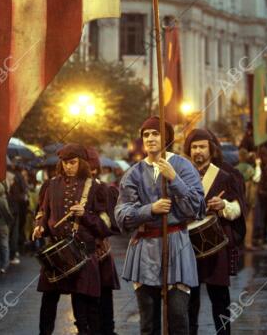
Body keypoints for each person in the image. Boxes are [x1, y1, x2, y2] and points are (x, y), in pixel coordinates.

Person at [115, 116, 205, 335]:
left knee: (177, 317)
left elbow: (197, 207)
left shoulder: (182, 166)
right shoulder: (133, 173)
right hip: (144, 248)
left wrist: (174, 179)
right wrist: (150, 210)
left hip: (176, 244)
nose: (150, 138)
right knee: (148, 321)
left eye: (155, 133)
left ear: (166, 138)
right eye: (146, 135)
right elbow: (122, 214)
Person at [32, 144, 110, 335]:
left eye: (73, 163)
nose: (68, 167)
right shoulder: (50, 185)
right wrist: (40, 226)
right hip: (57, 254)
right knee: (48, 303)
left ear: (82, 163)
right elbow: (43, 212)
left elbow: (105, 227)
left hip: (84, 253)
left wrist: (86, 215)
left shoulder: (96, 188)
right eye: (65, 163)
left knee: (85, 308)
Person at [184, 129, 245, 335]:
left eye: (202, 146)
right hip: (187, 245)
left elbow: (238, 209)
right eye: (194, 147)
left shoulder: (225, 176)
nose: (198, 151)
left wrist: (223, 204)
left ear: (211, 149)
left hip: (216, 245)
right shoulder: (180, 175)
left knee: (220, 299)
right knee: (189, 301)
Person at [85, 146, 120, 335]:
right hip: (82, 251)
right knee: (85, 295)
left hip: (100, 250)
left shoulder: (103, 190)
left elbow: (109, 224)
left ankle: (107, 328)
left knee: (104, 292)